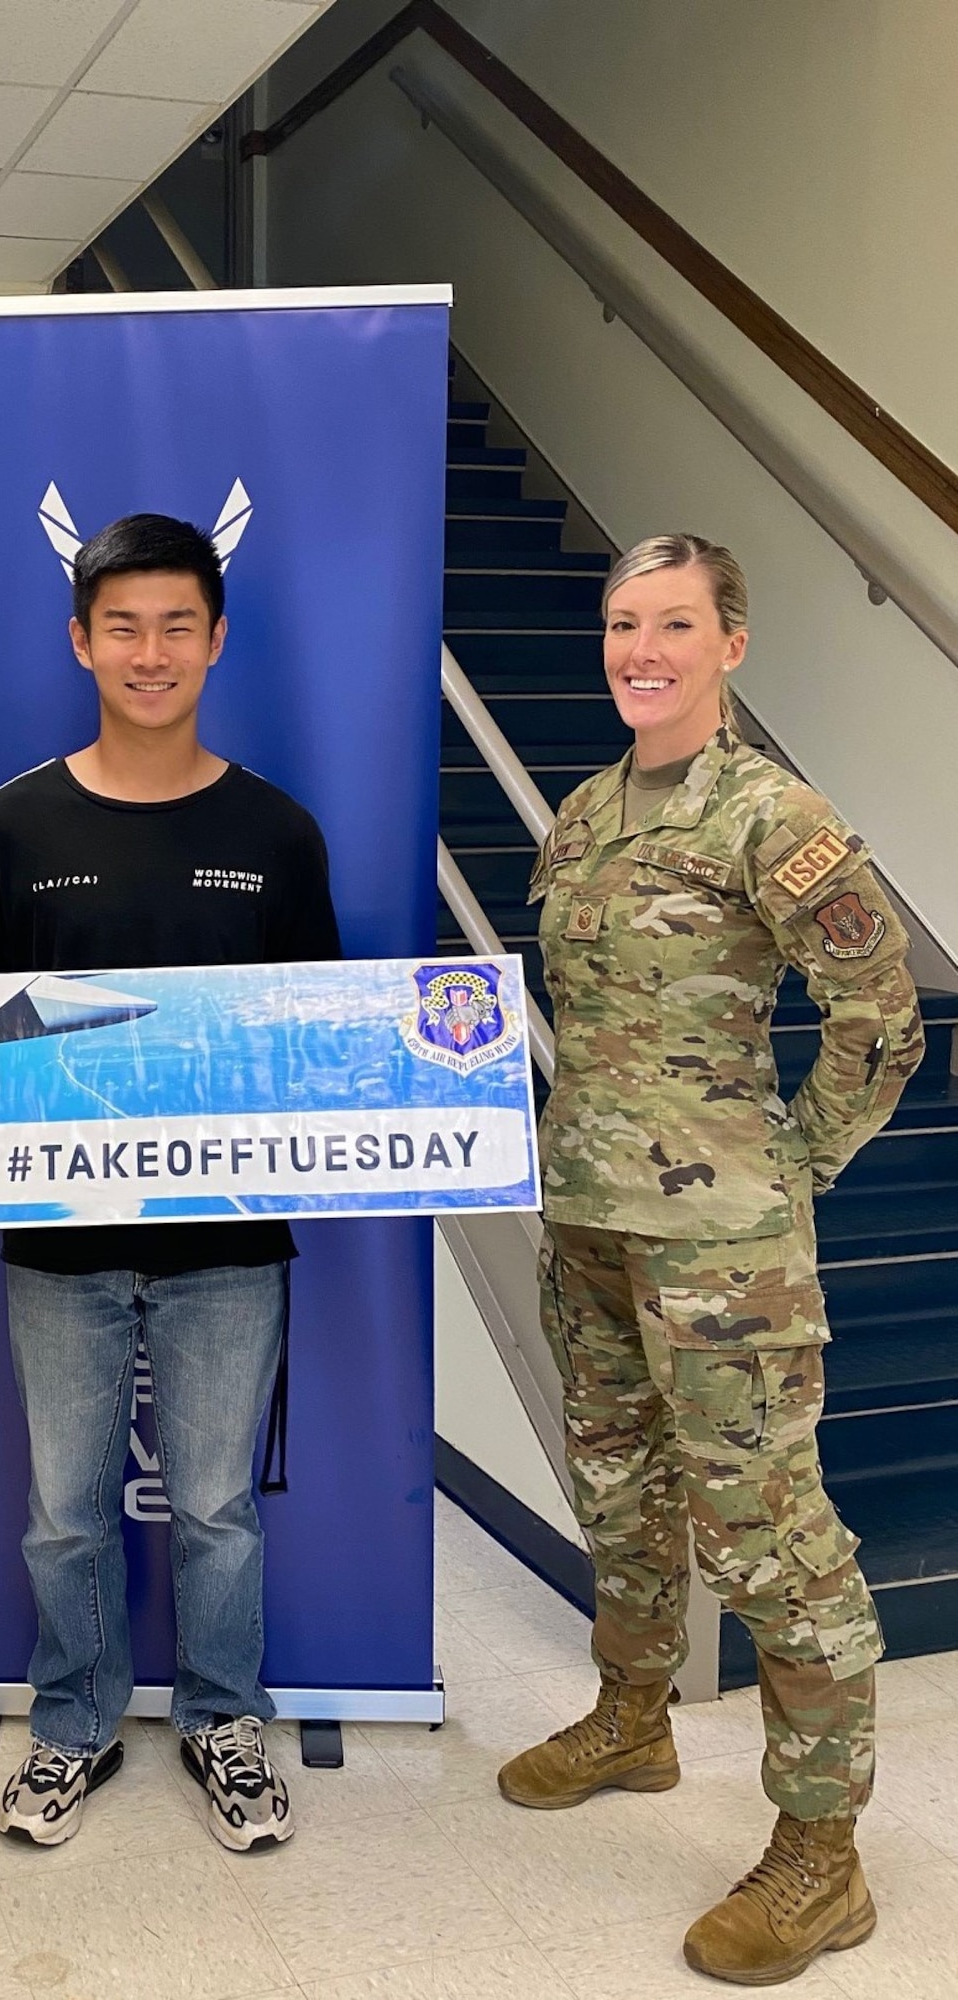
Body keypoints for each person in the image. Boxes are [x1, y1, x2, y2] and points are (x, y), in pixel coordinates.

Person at [499, 535, 924, 1984]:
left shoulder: (772, 815)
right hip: (589, 1222)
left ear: (729, 645)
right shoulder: (582, 815)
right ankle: (635, 1719)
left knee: (769, 1540)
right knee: (618, 1485)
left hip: (720, 1250)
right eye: (625, 624)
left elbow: (882, 1017)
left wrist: (789, 1168)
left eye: (674, 623)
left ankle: (824, 1857)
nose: (643, 649)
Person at [0, 512, 341, 1852]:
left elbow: (315, 1036)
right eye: (124, 626)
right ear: (80, 639)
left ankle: (227, 1723)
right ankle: (72, 1732)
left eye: (178, 626)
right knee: (65, 1513)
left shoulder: (277, 833)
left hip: (229, 1244)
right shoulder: (11, 825)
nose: (150, 652)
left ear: (217, 641)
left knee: (218, 1509)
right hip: (59, 1244)